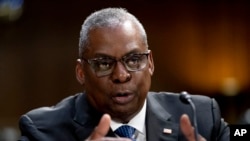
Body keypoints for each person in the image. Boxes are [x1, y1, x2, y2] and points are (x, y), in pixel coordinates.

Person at [18, 8, 229, 141]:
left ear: (150, 63)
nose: (121, 75)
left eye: (134, 60)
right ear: (81, 72)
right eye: (103, 63)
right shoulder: (42, 131)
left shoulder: (201, 116)